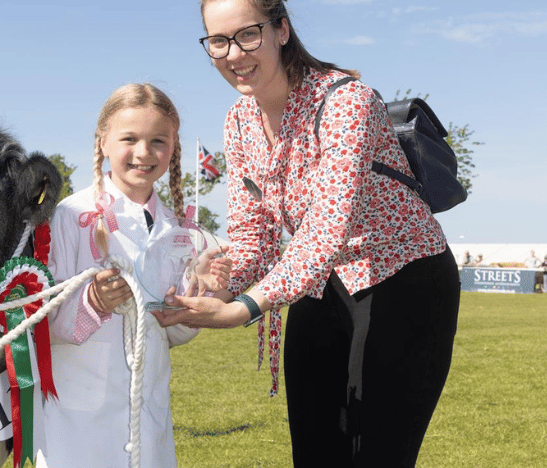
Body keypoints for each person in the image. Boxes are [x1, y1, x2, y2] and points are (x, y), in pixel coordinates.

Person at [153, 1, 461, 467]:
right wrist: (222, 278)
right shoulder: (239, 121)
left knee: (377, 455)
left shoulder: (345, 101)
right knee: (315, 453)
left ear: (281, 30)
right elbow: (252, 234)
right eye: (218, 41)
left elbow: (325, 232)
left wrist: (243, 309)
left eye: (248, 34)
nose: (234, 54)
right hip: (320, 284)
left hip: (403, 278)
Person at [42, 83, 231, 468]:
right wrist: (92, 302)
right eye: (130, 138)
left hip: (150, 416)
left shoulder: (178, 230)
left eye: (158, 141)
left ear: (173, 148)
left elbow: (172, 332)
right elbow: (41, 322)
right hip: (79, 423)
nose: (144, 153)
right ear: (103, 143)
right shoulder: (68, 217)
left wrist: (198, 298)